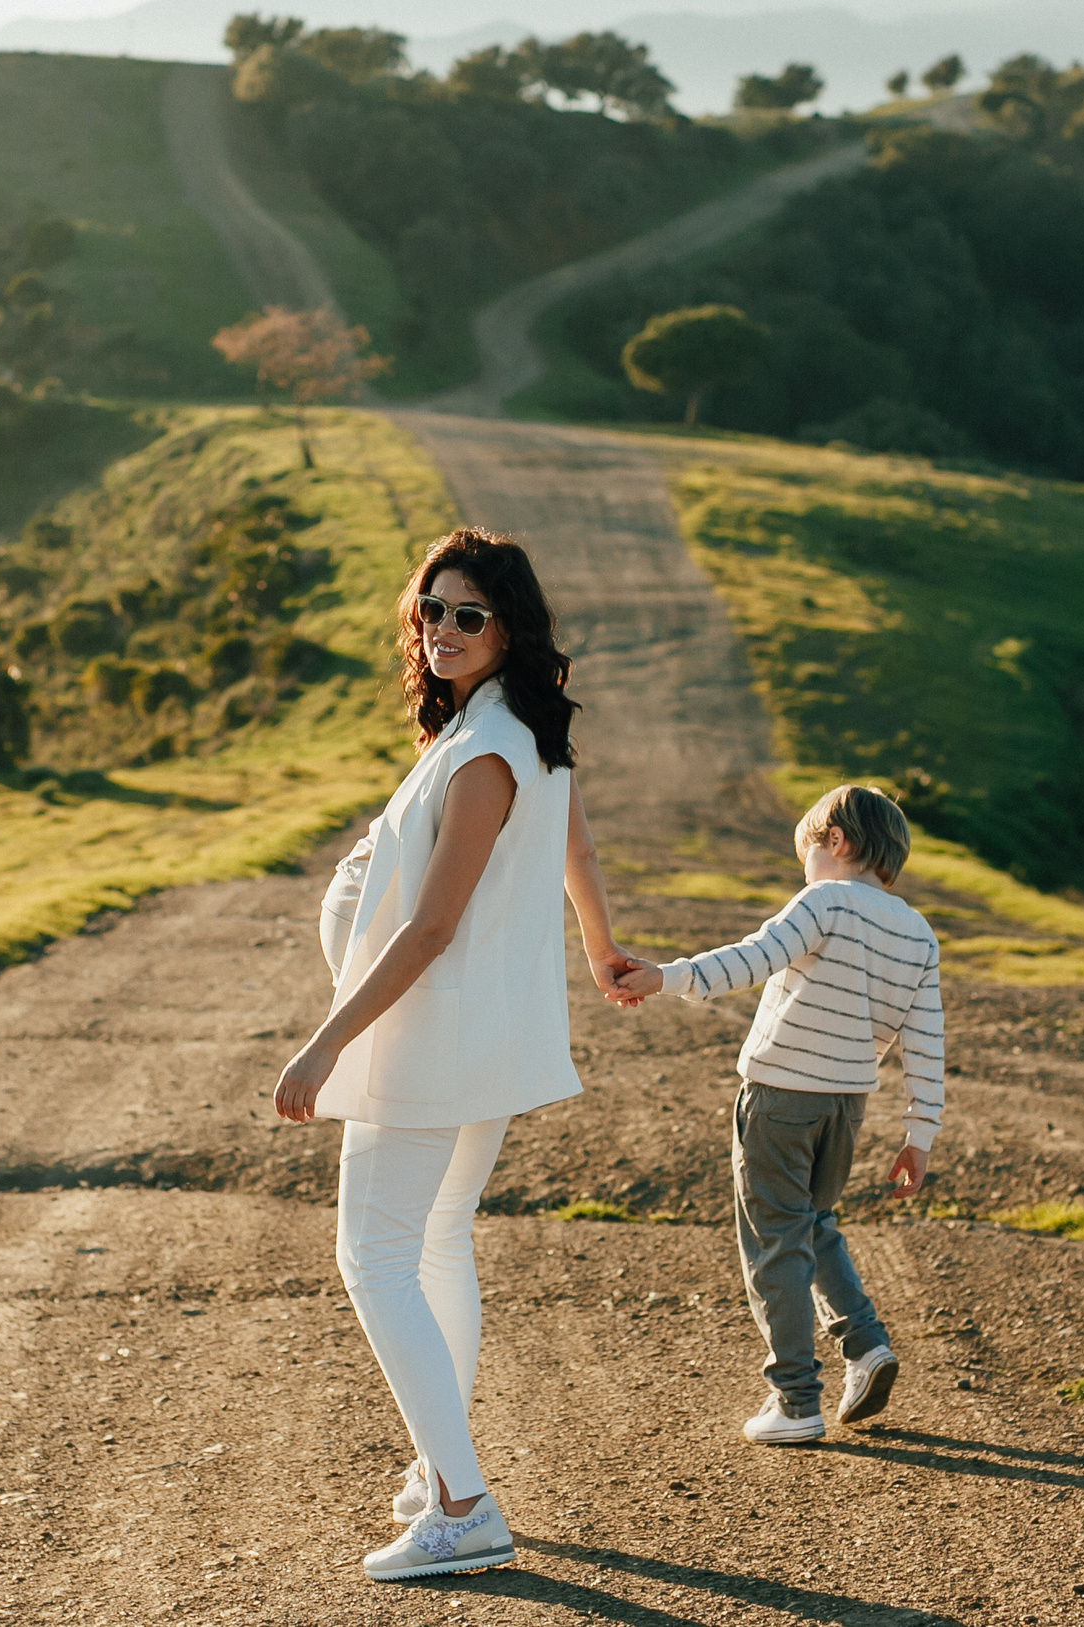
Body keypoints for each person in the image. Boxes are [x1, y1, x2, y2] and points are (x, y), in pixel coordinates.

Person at [275, 527, 638, 1582]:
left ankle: (466, 1505)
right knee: (436, 1242)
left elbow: (430, 928)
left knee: (372, 1258)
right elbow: (570, 838)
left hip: (426, 1037)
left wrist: (322, 1045)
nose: (441, 629)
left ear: (506, 627)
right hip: (477, 1036)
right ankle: (440, 1470)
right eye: (431, 609)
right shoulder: (512, 726)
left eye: (467, 614)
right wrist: (600, 943)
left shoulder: (484, 753)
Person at [614, 784, 945, 1444]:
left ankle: (796, 1398)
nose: (806, 873)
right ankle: (865, 1346)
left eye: (807, 856)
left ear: (837, 843)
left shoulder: (824, 900)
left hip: (781, 1099)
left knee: (775, 1242)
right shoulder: (918, 931)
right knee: (813, 1223)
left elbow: (753, 957)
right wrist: (920, 1135)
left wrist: (665, 976)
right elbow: (925, 1038)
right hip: (846, 1106)